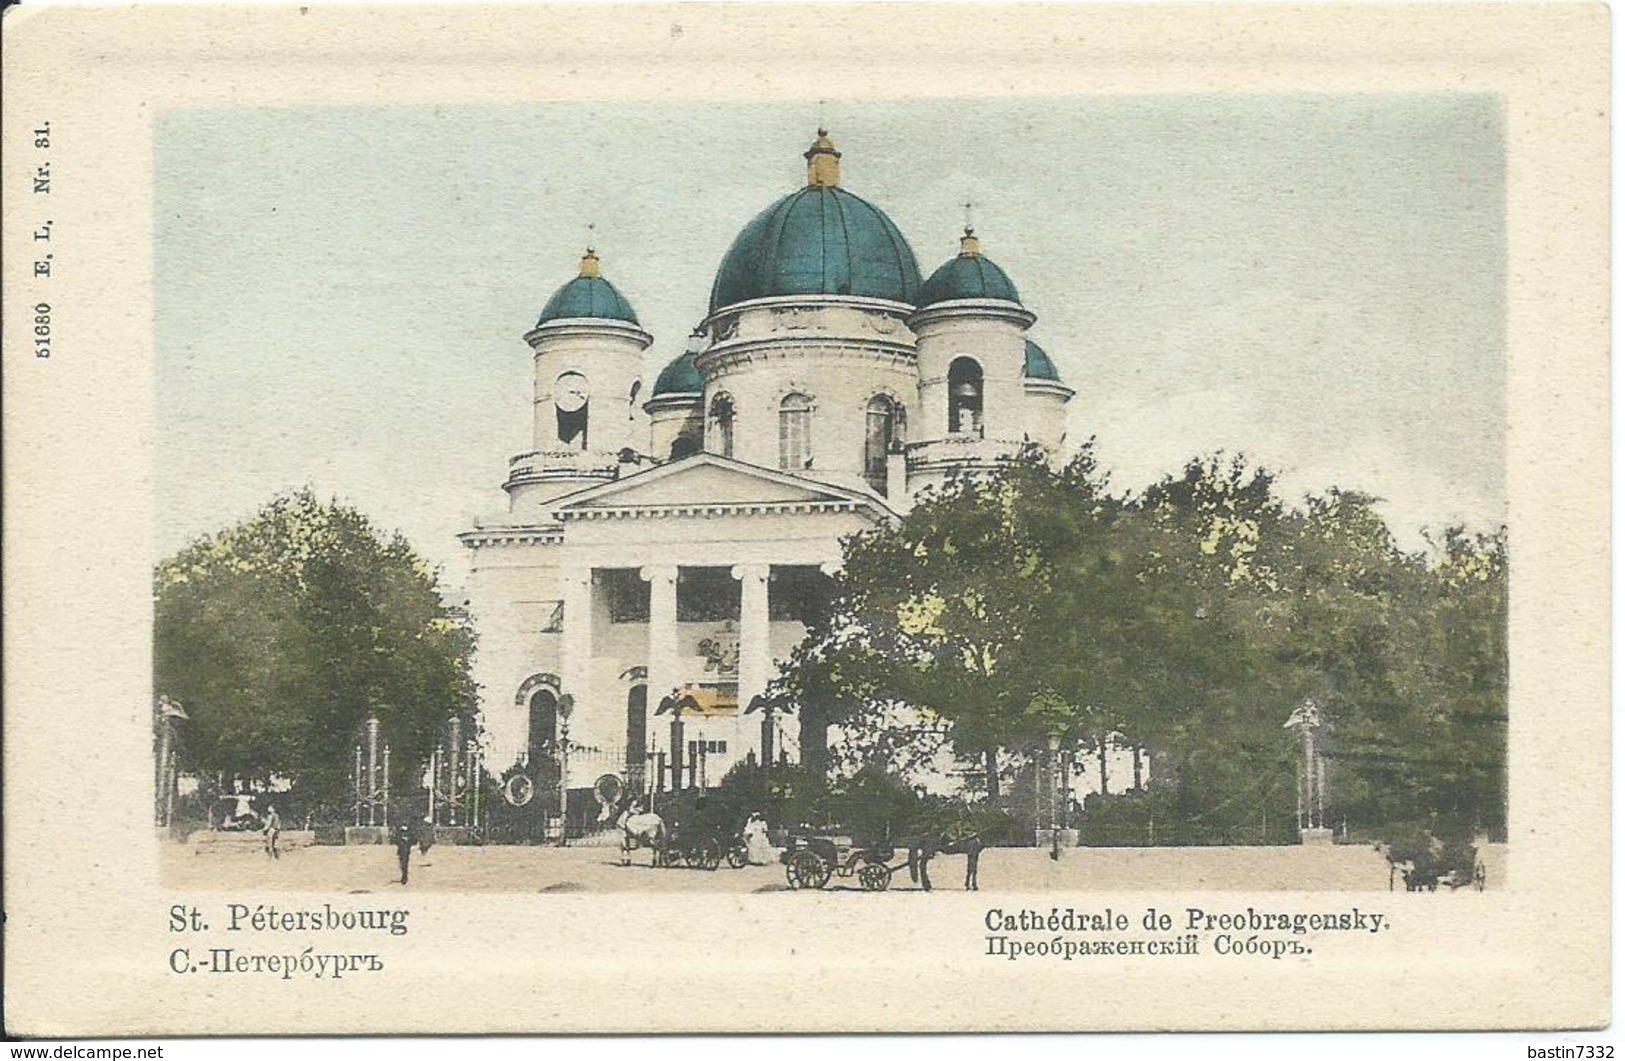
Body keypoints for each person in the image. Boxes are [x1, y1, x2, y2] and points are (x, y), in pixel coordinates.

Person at [392, 817, 420, 885]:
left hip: (406, 849)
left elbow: (414, 840)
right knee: (402, 864)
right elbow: (395, 839)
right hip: (401, 849)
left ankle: (404, 877)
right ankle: (404, 876)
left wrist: (407, 840)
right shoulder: (399, 832)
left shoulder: (410, 832)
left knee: (404, 863)